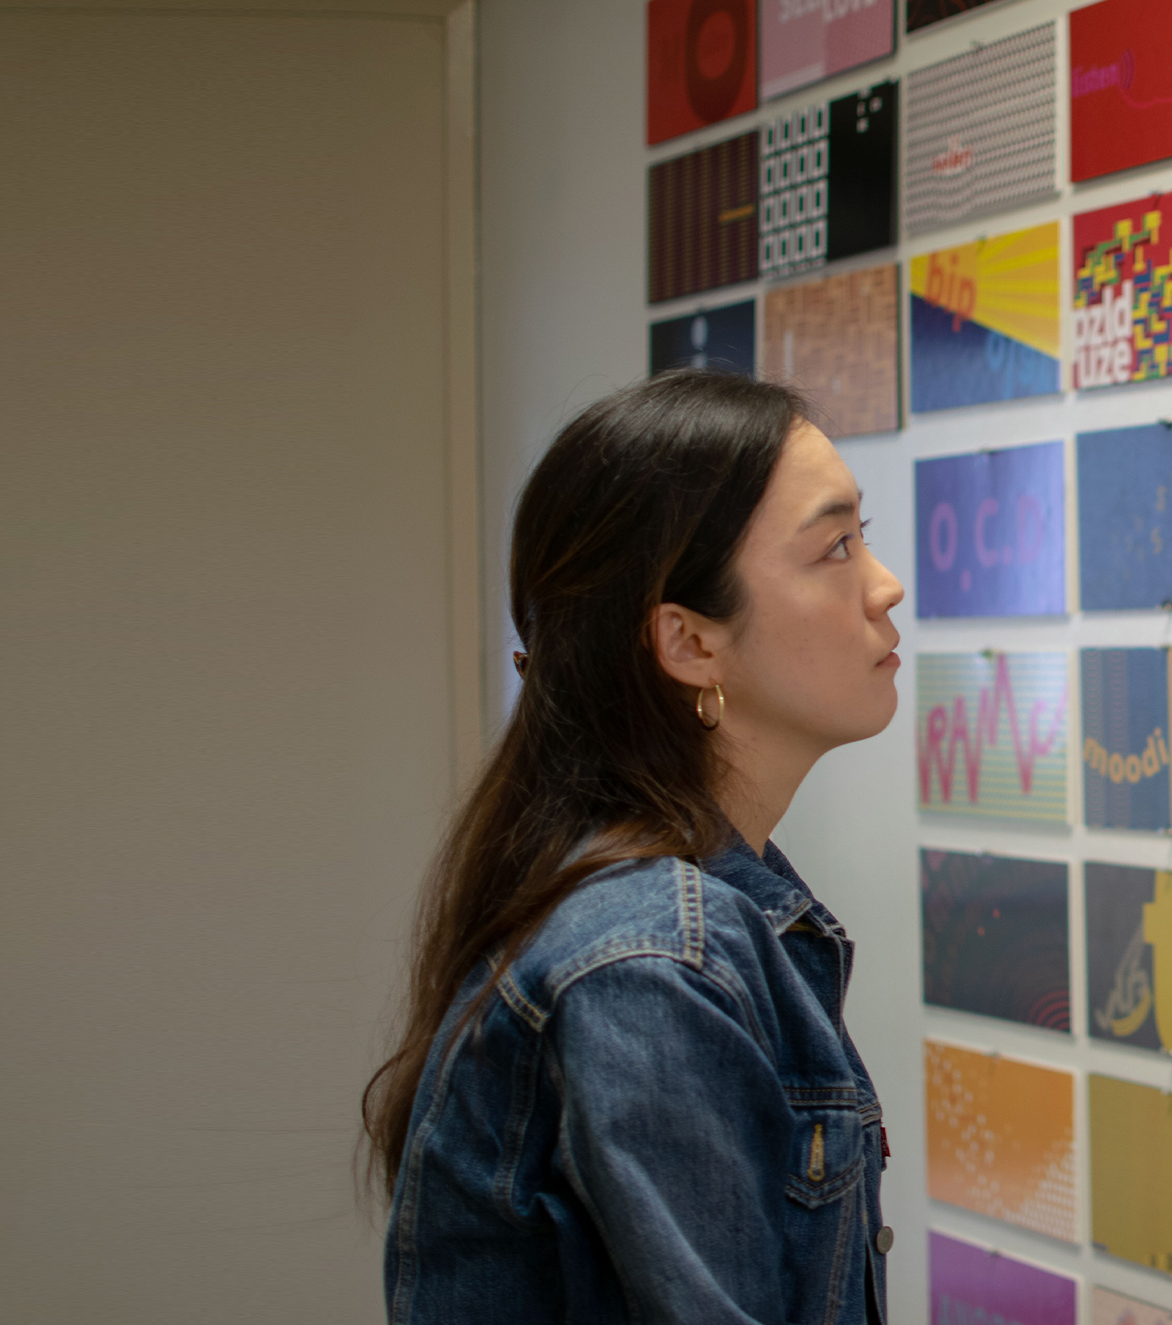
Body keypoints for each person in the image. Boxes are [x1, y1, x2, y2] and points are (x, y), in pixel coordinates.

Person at [363, 370, 905, 1325]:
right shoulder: (652, 956)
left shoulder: (684, 911)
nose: (885, 585)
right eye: (837, 547)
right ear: (689, 642)